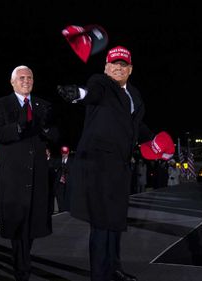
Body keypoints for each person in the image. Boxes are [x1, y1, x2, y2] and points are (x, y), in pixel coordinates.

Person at [58, 46, 155, 281]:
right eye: (114, 64)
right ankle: (99, 275)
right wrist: (78, 94)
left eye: (123, 65)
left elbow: (136, 126)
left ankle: (114, 268)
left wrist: (154, 142)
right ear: (106, 67)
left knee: (116, 221)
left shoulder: (135, 95)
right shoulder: (101, 83)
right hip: (98, 165)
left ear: (130, 69)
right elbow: (91, 93)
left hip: (120, 168)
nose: (118, 68)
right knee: (102, 224)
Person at [0, 65, 57, 281]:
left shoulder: (43, 106)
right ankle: (21, 268)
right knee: (18, 224)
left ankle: (23, 260)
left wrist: (47, 130)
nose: (26, 81)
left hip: (36, 174)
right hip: (13, 176)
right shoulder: (0, 105)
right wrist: (17, 127)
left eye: (29, 77)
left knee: (32, 224)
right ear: (12, 82)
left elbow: (56, 133)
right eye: (22, 78)